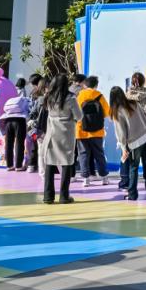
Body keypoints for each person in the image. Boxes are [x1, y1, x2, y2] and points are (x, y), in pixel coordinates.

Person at [110, 86, 146, 200]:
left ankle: (132, 194)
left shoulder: (118, 111)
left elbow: (121, 133)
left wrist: (123, 148)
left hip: (134, 142)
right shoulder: (134, 103)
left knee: (133, 167)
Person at [42, 74, 81, 204]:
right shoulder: (71, 98)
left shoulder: (48, 97)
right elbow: (79, 116)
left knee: (50, 162)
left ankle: (48, 196)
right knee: (66, 163)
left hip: (51, 131)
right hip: (66, 133)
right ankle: (64, 196)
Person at [75, 76, 111, 186]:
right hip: (97, 131)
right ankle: (104, 178)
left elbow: (75, 113)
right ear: (96, 85)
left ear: (85, 85)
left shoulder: (80, 95)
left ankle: (86, 179)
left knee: (83, 155)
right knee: (99, 154)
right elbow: (107, 112)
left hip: (81, 130)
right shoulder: (99, 95)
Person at [25, 74, 45, 173]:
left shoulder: (33, 93)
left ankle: (31, 165)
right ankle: (37, 166)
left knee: (33, 143)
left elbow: (30, 108)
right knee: (40, 145)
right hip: (42, 124)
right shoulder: (43, 93)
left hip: (33, 124)